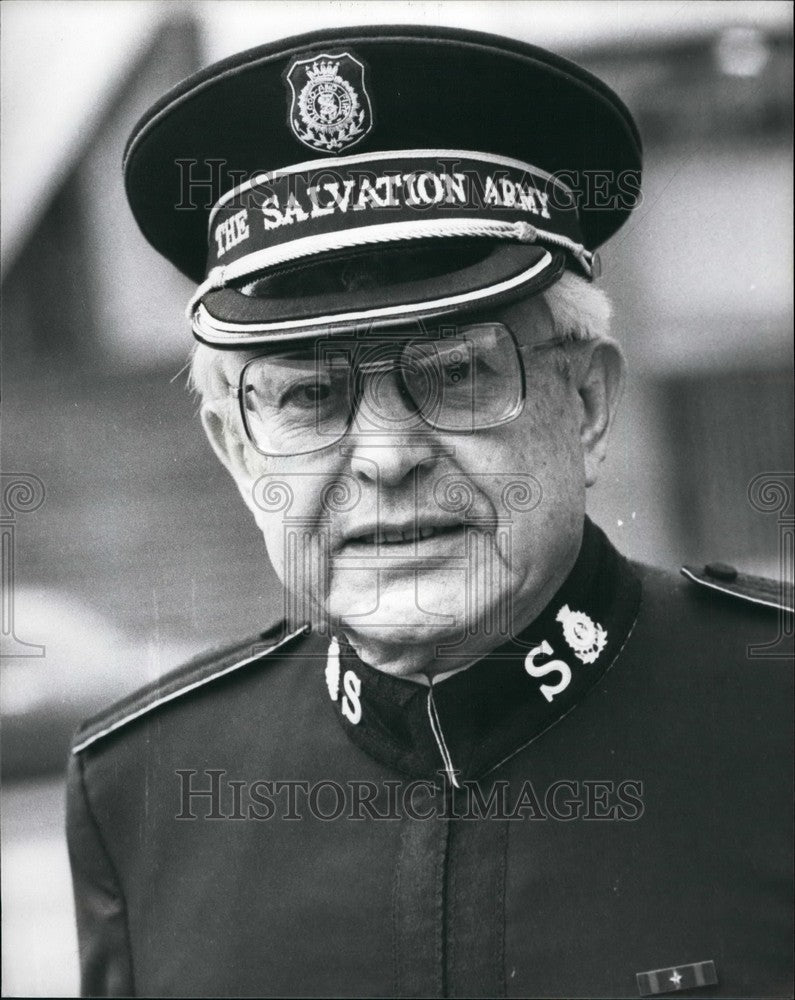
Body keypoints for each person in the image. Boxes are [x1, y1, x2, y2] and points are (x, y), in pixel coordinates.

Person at [66, 24, 793, 999]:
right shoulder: (145, 795)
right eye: (310, 396)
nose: (386, 457)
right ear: (237, 451)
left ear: (584, 403)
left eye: (456, 372)